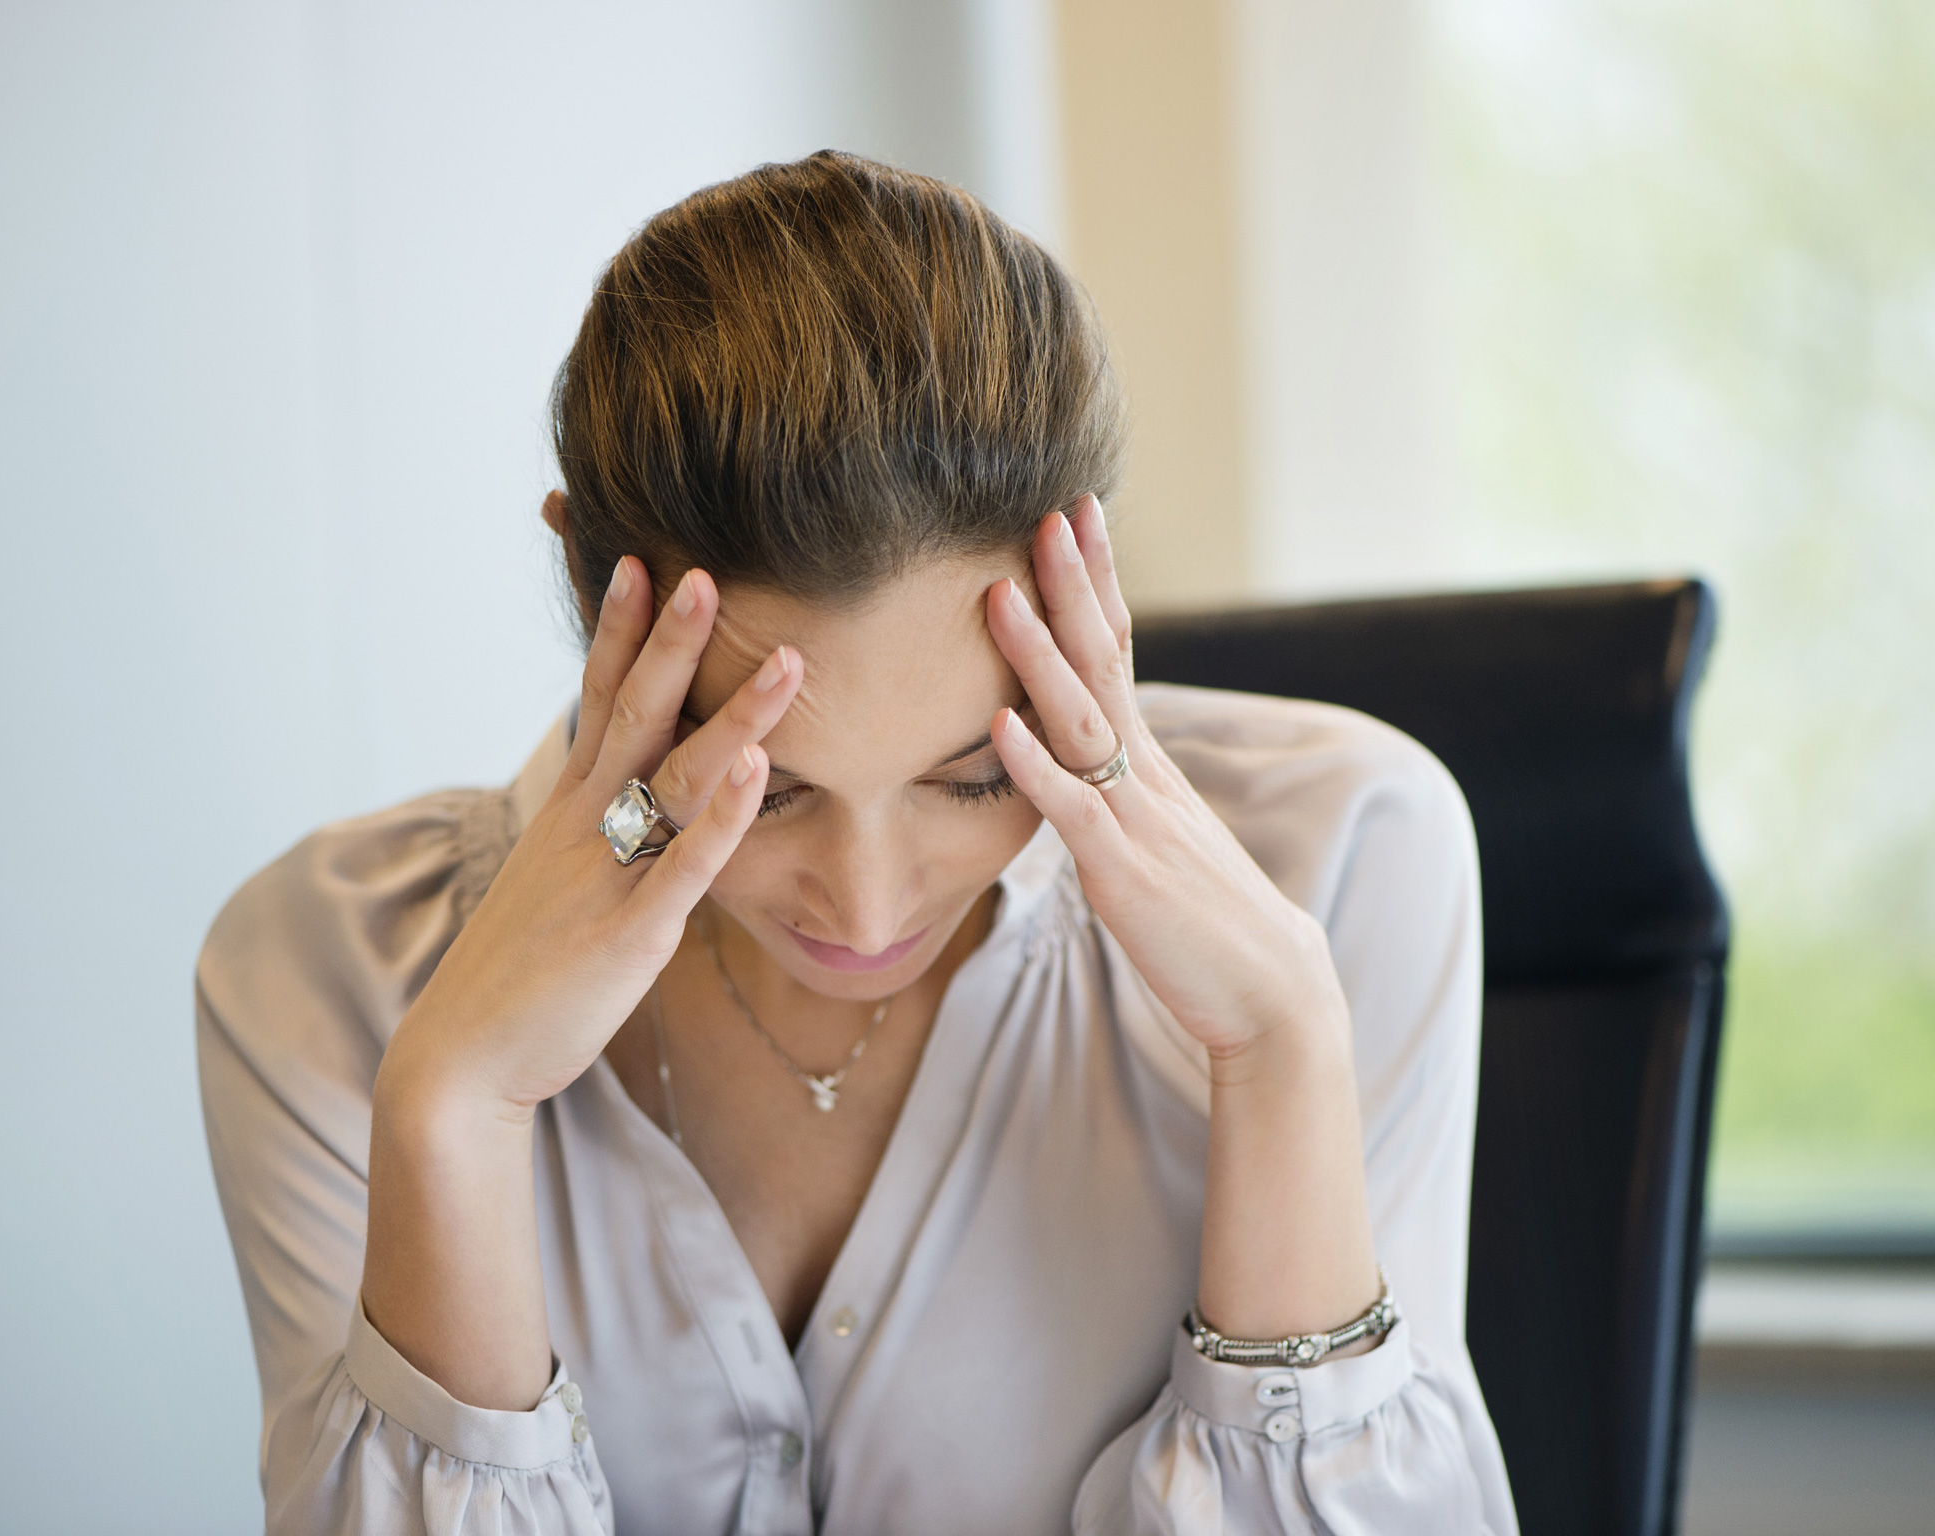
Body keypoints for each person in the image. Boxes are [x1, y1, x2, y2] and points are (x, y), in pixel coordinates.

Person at [198, 150, 1515, 1535]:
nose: (871, 907)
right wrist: (454, 1115)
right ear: (598, 598)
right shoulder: (329, 975)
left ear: (1090, 593)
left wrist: (1285, 1045)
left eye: (968, 780)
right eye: (760, 793)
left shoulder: (1346, 858)